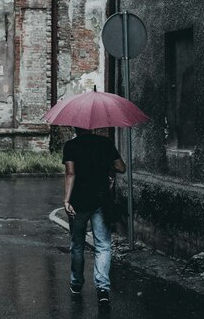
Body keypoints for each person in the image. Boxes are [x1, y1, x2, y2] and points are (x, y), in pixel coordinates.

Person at [62, 127, 125, 309]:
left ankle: (76, 283)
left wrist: (66, 200)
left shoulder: (71, 146)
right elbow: (121, 167)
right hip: (101, 200)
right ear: (92, 127)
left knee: (77, 245)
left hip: (79, 202)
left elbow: (70, 173)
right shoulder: (105, 144)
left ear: (76, 127)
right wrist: (106, 164)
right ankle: (103, 289)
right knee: (103, 246)